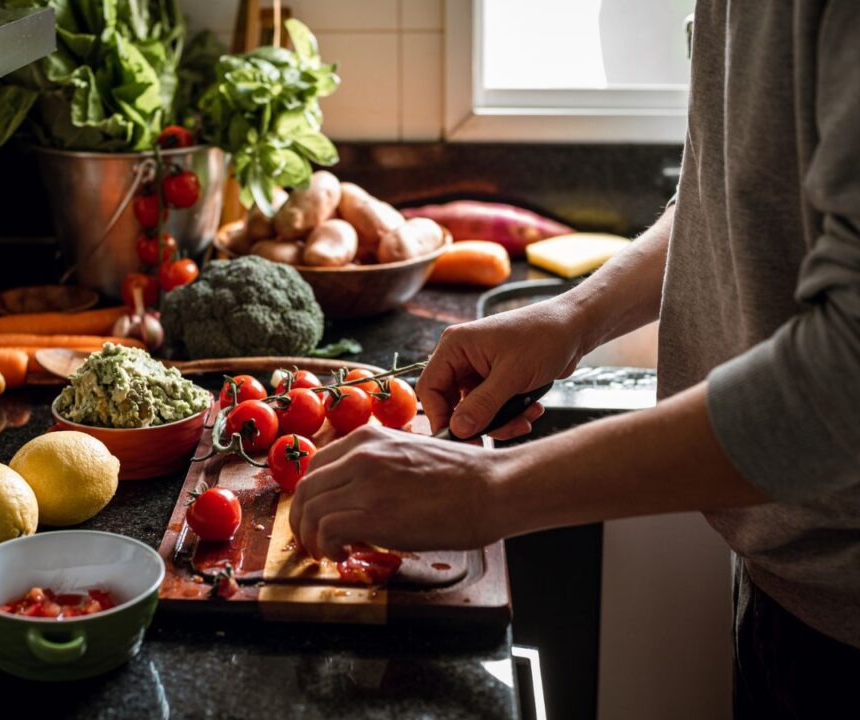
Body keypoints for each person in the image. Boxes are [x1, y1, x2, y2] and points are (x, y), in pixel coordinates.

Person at [289, 2, 860, 717]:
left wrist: (488, 489)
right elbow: (739, 191)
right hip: (788, 581)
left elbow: (847, 378)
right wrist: (573, 316)